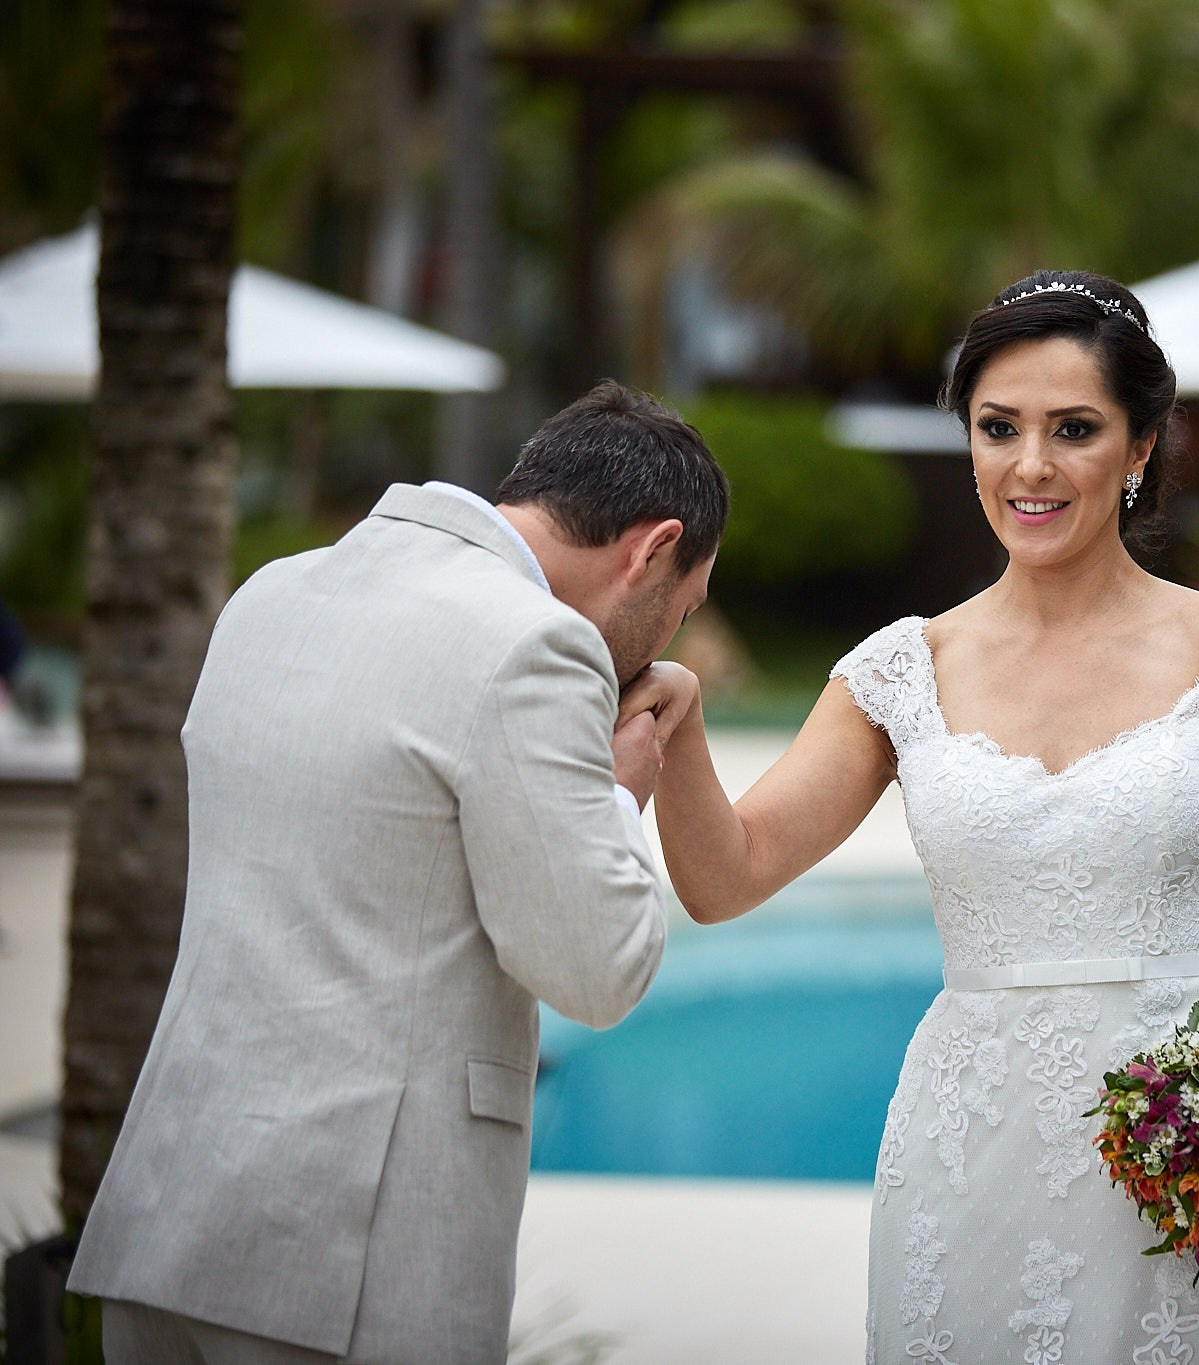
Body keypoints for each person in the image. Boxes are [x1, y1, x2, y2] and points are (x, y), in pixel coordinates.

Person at [631, 272, 1199, 1362]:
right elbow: (727, 878)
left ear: (1142, 446)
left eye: (1074, 429)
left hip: (1195, 1146)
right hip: (970, 1151)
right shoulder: (900, 670)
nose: (1031, 466)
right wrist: (677, 718)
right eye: (998, 428)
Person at [69, 381, 728, 1363]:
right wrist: (618, 792)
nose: (670, 635)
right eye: (685, 605)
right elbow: (598, 970)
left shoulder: (272, 593)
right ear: (651, 550)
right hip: (348, 1257)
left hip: (167, 1215)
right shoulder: (535, 643)